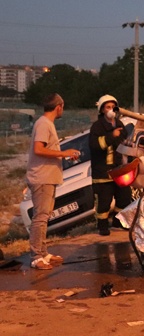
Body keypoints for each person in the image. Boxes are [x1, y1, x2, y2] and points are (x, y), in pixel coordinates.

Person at [25, 93, 80, 270]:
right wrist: (64, 153)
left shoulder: (47, 124)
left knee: (44, 216)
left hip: (48, 178)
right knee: (40, 218)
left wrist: (64, 156)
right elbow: (39, 149)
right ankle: (36, 257)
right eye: (62, 106)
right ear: (59, 107)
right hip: (41, 178)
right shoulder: (43, 124)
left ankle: (43, 252)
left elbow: (47, 151)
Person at [89, 95, 132, 236]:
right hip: (103, 173)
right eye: (108, 107)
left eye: (113, 107)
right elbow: (95, 146)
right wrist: (111, 136)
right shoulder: (97, 127)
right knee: (104, 201)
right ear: (101, 110)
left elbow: (125, 143)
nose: (111, 110)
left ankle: (118, 222)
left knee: (124, 197)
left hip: (119, 170)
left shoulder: (120, 124)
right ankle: (102, 226)